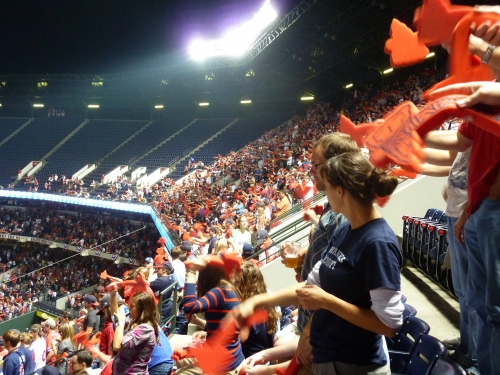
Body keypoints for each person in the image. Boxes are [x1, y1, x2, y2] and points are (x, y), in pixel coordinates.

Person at [237, 152, 403, 375]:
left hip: (355, 364)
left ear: (340, 191)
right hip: (328, 356)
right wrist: (257, 300)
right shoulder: (345, 229)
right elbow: (311, 286)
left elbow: (389, 324)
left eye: (326, 188)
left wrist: (327, 301)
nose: (323, 194)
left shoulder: (378, 243)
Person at [426, 79, 500, 375]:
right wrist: (409, 139)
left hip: (483, 210)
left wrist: (482, 205)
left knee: (489, 306)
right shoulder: (484, 105)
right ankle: (477, 358)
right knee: (477, 303)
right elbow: (454, 148)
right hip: (471, 211)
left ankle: (478, 359)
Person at [176, 258, 244, 374]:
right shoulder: (230, 290)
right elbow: (221, 326)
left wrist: (192, 272)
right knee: (179, 359)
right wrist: (196, 321)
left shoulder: (219, 292)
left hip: (222, 362)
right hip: (232, 357)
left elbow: (189, 307)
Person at [235, 261, 279, 358]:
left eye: (237, 282)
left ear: (246, 284)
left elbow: (241, 338)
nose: (234, 286)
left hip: (250, 359)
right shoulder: (263, 299)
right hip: (261, 356)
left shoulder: (250, 306)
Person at [111, 291, 159, 374]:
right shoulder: (134, 323)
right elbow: (116, 315)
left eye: (132, 306)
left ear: (142, 309)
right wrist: (113, 295)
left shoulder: (145, 329)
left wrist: (121, 321)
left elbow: (117, 346)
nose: (129, 308)